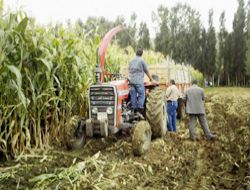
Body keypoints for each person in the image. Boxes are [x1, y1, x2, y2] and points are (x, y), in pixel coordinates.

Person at [128, 48, 155, 115]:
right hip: (139, 81)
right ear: (142, 54)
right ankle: (140, 109)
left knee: (133, 95)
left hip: (131, 81)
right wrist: (151, 80)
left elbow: (129, 70)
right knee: (142, 94)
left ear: (136, 53)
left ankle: (133, 109)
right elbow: (146, 71)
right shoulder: (142, 61)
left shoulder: (131, 61)